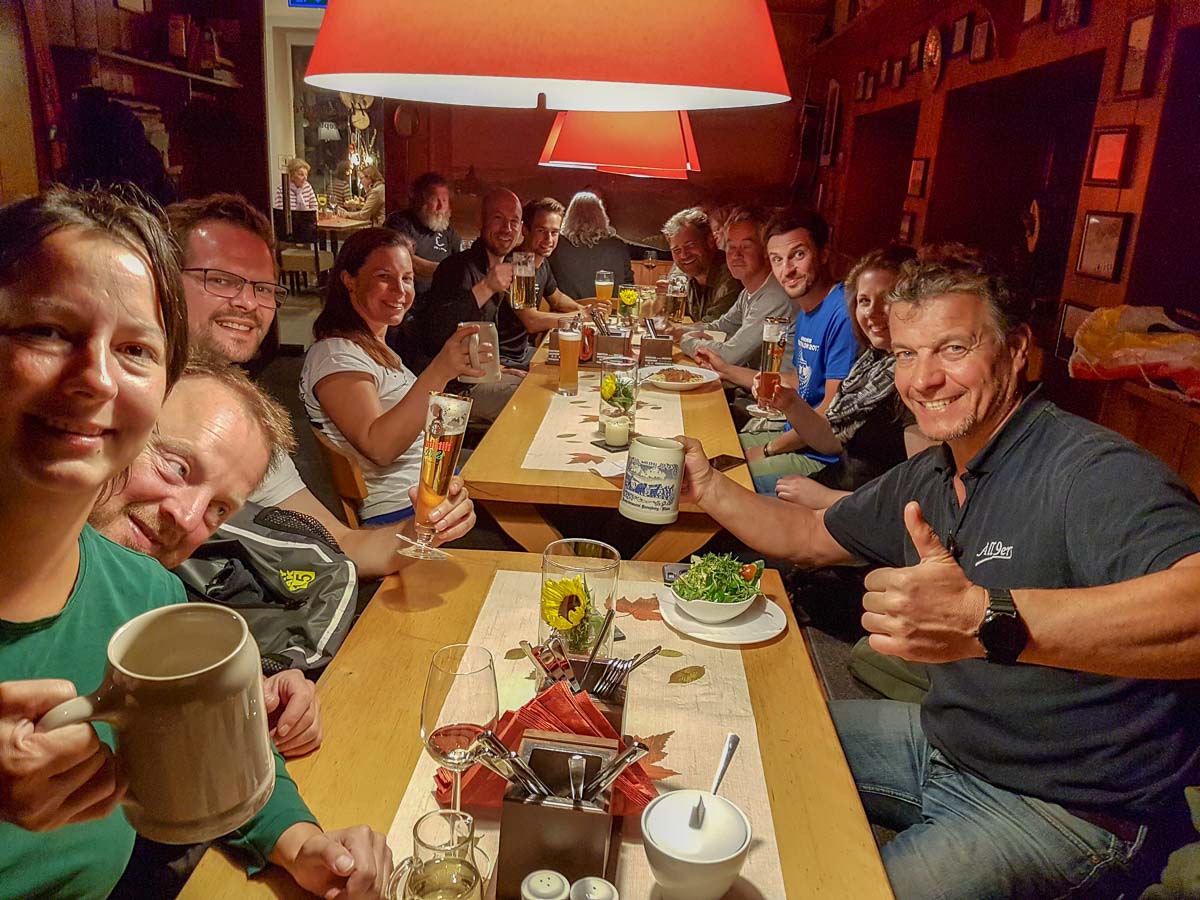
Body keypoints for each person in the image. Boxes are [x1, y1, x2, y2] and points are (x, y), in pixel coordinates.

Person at [676, 244, 1200, 899]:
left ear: (1017, 351)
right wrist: (709, 488)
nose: (923, 379)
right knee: (734, 739)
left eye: (953, 348)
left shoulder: (1090, 472)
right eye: (906, 354)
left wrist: (984, 618)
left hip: (1068, 808)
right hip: (943, 741)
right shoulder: (935, 469)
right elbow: (809, 535)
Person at [0, 187, 391, 899]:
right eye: (49, 331)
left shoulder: (146, 591)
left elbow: (213, 763)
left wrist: (302, 842)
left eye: (135, 350)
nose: (96, 377)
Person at [165, 193, 476, 577]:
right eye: (221, 280)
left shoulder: (242, 418)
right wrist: (441, 369)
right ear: (163, 281)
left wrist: (422, 530)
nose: (247, 302)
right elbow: (379, 447)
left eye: (263, 287)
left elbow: (339, 543)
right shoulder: (121, 405)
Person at [301, 228, 485, 525]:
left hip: (436, 487)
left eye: (407, 278)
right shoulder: (335, 355)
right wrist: (440, 369)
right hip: (406, 511)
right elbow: (380, 448)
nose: (400, 291)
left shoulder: (375, 346)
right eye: (384, 277)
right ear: (349, 280)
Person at [697, 209, 857, 494]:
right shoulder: (807, 309)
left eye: (798, 255)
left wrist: (768, 449)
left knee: (713, 480)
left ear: (823, 254)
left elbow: (830, 418)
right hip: (792, 436)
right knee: (703, 448)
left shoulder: (843, 312)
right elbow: (801, 382)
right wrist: (727, 370)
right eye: (777, 259)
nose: (787, 270)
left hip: (821, 458)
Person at [758, 244, 922, 497]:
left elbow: (918, 495)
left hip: (850, 506)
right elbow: (832, 441)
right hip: (834, 487)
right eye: (864, 301)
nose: (872, 312)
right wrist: (790, 403)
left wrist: (825, 499)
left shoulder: (917, 384)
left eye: (888, 298)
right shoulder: (871, 361)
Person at [415, 188, 526, 422]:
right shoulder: (456, 268)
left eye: (513, 221)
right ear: (481, 221)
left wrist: (500, 367)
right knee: (531, 399)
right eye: (498, 218)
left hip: (485, 373)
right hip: (453, 389)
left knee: (540, 383)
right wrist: (486, 287)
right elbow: (436, 333)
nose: (507, 228)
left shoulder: (506, 267)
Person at [665, 206, 791, 367]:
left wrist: (685, 340)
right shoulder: (749, 292)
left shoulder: (774, 297)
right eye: (731, 247)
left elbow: (729, 355)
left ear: (767, 250)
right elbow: (720, 327)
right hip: (749, 379)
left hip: (770, 383)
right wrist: (677, 332)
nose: (736, 255)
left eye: (746, 246)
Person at [496, 197, 595, 370]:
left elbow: (558, 299)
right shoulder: (520, 264)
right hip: (505, 359)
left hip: (524, 352)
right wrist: (580, 316)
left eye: (554, 232)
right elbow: (532, 321)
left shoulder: (541, 263)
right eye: (541, 230)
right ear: (525, 230)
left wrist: (587, 311)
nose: (549, 239)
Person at [384, 172, 463, 301]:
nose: (441, 206)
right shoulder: (400, 222)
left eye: (444, 200)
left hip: (438, 302)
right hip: (405, 300)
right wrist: (443, 270)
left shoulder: (450, 234)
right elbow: (403, 261)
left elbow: (459, 266)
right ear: (420, 201)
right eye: (434, 200)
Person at [547, 191, 634, 301]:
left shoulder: (556, 245)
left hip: (568, 310)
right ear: (602, 216)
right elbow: (629, 288)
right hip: (611, 311)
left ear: (569, 215)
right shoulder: (618, 246)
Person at [662, 207, 740, 321]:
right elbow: (661, 316)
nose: (683, 255)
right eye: (676, 250)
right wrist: (660, 300)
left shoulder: (732, 273)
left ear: (710, 241)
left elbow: (715, 326)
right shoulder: (679, 272)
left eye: (690, 245)